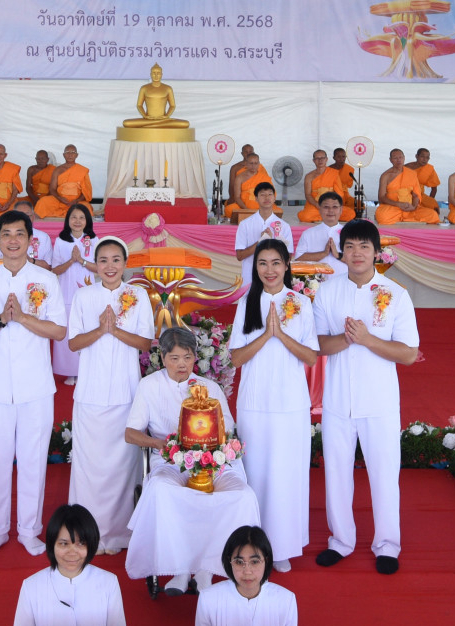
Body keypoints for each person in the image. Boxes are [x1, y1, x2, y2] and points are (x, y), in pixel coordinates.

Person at [314, 219, 419, 573]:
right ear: (341, 251)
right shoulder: (327, 292)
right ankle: (340, 541)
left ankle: (387, 544)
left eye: (364, 246)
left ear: (377, 251)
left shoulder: (396, 294)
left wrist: (367, 339)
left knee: (384, 473)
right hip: (338, 401)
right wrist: (344, 339)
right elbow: (315, 345)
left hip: (380, 402)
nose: (357, 253)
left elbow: (407, 353)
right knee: (337, 474)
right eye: (350, 246)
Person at [125, 325, 260, 595]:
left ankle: (207, 570)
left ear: (195, 358)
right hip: (169, 460)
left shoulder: (209, 387)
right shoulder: (149, 386)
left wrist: (216, 453)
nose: (181, 365)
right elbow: (130, 433)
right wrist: (159, 444)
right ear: (163, 358)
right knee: (162, 491)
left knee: (242, 496)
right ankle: (179, 570)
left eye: (187, 357)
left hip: (213, 461)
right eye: (174, 358)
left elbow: (229, 430)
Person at [0, 211, 67, 556]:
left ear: (29, 239)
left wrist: (22, 317)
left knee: (33, 458)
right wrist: (0, 320)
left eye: (19, 234)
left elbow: (59, 331)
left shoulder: (45, 280)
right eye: (6, 234)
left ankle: (29, 529)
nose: (12, 240)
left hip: (36, 386)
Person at [229, 240, 316, 570]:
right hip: (254, 402)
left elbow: (310, 356)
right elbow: (236, 358)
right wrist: (267, 334)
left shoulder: (301, 303)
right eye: (262, 264)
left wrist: (282, 335)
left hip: (291, 403)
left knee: (287, 476)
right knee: (256, 476)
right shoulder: (247, 304)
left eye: (275, 263)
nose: (269, 270)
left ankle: (281, 548)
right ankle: (252, 547)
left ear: (287, 264)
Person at [66, 238, 155, 553]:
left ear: (125, 263)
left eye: (116, 259)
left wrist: (115, 330)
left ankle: (120, 532)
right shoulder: (83, 295)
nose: (110, 266)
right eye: (103, 260)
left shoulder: (138, 295)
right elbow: (73, 344)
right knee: (89, 466)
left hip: (125, 393)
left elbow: (146, 343)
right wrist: (101, 329)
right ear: (95, 263)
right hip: (90, 393)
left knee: (121, 467)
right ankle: (87, 531)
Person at [10, 505, 127, 626]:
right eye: (64, 544)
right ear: (52, 544)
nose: (72, 552)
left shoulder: (108, 582)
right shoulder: (32, 586)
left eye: (81, 543)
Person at [195, 527, 299, 626]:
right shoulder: (208, 599)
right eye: (239, 562)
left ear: (266, 561)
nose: (247, 571)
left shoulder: (286, 601)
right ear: (229, 562)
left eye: (254, 562)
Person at [47, 203, 102, 380]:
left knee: (87, 330)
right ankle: (70, 372)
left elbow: (100, 268)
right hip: (66, 294)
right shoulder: (62, 241)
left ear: (87, 221)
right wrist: (72, 260)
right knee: (69, 333)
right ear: (68, 220)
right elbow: (55, 269)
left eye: (81, 218)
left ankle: (85, 372)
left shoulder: (93, 240)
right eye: (74, 217)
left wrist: (82, 261)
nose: (77, 221)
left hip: (88, 293)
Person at [373, 148, 438, 226]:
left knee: (433, 215)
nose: (398, 160)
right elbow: (381, 197)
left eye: (400, 157)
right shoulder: (385, 176)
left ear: (404, 158)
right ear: (390, 160)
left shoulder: (411, 174)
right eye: (395, 158)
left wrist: (413, 206)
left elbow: (416, 194)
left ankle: (404, 217)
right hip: (393, 207)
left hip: (410, 207)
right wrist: (398, 204)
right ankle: (404, 217)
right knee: (382, 216)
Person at [35, 144, 91, 220]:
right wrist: (59, 198)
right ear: (64, 155)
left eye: (73, 152)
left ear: (76, 155)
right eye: (68, 152)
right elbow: (52, 189)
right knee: (43, 202)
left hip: (76, 201)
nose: (70, 155)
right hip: (59, 200)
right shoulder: (58, 170)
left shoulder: (82, 170)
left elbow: (86, 191)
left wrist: (77, 200)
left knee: (87, 207)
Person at [234, 182, 291, 256]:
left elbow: (288, 256)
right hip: (251, 268)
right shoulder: (245, 224)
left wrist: (272, 243)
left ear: (274, 198)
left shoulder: (284, 226)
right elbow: (240, 256)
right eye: (262, 195)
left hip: (274, 268)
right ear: (256, 198)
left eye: (270, 194)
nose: (267, 198)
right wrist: (260, 242)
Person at [294, 190, 345, 264]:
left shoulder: (349, 233)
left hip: (344, 275)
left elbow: (358, 259)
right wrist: (323, 253)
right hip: (317, 275)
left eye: (335, 207)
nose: (330, 210)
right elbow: (298, 259)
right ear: (319, 210)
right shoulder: (308, 233)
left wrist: (337, 255)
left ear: (341, 210)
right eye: (326, 207)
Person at [302, 148, 355, 220]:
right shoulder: (309, 176)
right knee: (305, 217)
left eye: (322, 158)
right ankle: (330, 216)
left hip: (331, 204)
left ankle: (325, 216)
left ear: (326, 159)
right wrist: (316, 204)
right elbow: (308, 195)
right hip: (316, 204)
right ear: (313, 161)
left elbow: (340, 193)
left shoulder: (334, 173)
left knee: (351, 214)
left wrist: (334, 205)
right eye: (317, 158)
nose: (320, 160)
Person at [222, 143, 268, 222]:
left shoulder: (260, 167)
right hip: (241, 199)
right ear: (242, 153)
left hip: (258, 199)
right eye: (246, 152)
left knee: (274, 209)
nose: (248, 153)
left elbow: (267, 187)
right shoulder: (235, 167)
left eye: (250, 151)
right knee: (229, 209)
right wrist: (232, 199)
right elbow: (232, 186)